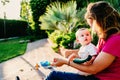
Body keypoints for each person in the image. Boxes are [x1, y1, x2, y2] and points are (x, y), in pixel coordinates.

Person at [45, 1, 120, 80]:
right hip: (97, 76)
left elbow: (94, 69)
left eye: (92, 25)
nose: (92, 29)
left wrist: (66, 61)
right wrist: (77, 56)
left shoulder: (115, 40)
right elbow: (95, 56)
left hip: (102, 78)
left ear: (99, 22)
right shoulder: (104, 37)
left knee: (54, 76)